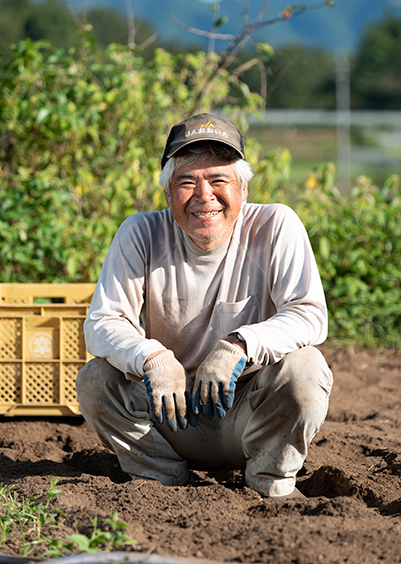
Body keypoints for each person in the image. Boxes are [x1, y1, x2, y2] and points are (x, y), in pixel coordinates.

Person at [76, 112, 333, 500]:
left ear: (243, 189)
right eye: (186, 182)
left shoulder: (275, 226)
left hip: (250, 415)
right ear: (167, 194)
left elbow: (309, 313)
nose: (204, 196)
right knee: (96, 380)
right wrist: (151, 358)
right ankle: (159, 481)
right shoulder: (141, 233)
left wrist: (240, 345)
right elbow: (103, 321)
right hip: (170, 414)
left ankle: (270, 480)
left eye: (218, 180)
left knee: (306, 368)